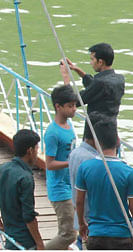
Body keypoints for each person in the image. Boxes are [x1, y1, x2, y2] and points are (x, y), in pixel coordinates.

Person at [75, 116, 133, 250]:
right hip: (122, 237)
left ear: (96, 143)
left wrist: (81, 224)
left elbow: (79, 201)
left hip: (96, 235)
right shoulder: (128, 172)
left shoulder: (85, 168)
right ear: (118, 141)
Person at [0, 129, 44, 250]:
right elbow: (28, 216)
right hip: (25, 241)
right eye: (37, 149)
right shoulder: (26, 178)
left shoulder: (3, 169)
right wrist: (40, 244)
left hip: (10, 237)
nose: (37, 153)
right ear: (30, 151)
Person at [44, 84, 81, 250]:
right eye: (70, 106)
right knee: (69, 234)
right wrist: (71, 162)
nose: (74, 109)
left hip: (70, 184)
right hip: (59, 188)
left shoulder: (69, 126)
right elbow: (49, 164)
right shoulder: (53, 133)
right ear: (58, 107)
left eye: (74, 105)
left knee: (71, 229)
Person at [62, 43, 125, 121]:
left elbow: (72, 101)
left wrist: (66, 76)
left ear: (100, 62)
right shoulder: (119, 79)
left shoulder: (100, 83)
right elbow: (95, 87)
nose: (90, 63)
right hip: (111, 128)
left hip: (96, 129)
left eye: (92, 59)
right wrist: (77, 69)